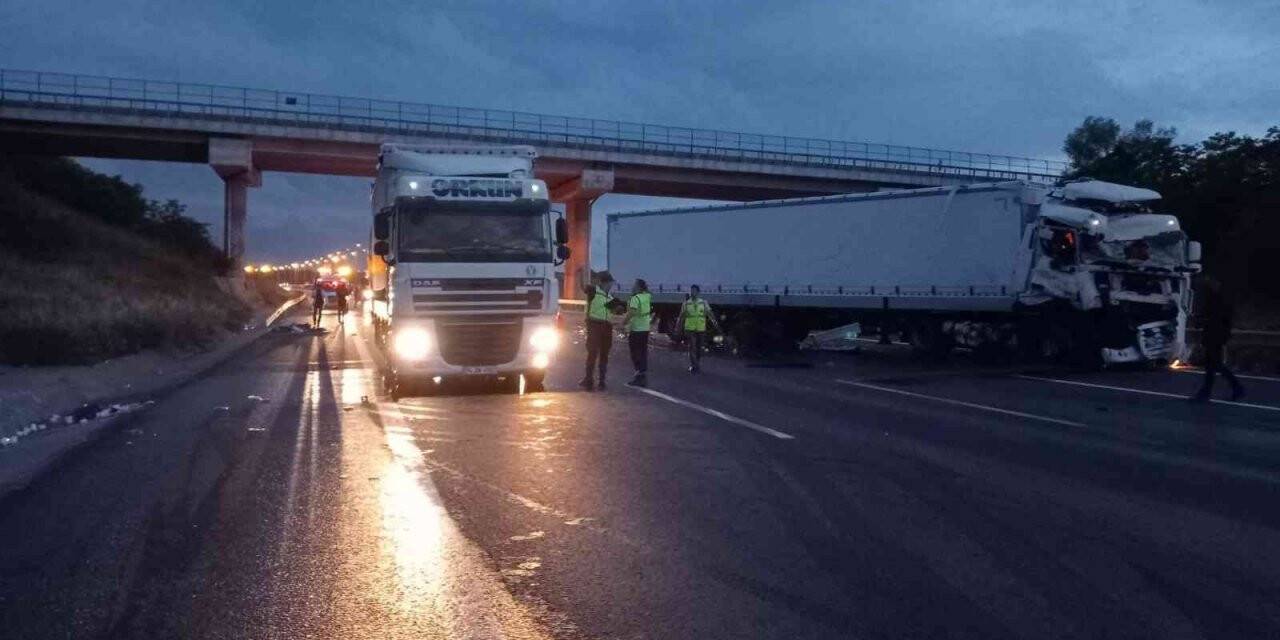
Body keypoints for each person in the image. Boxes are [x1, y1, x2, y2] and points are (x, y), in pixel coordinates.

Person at [1191, 276, 1244, 402]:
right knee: (1211, 365)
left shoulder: (1218, 300)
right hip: (1215, 335)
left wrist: (1202, 322)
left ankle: (1236, 387)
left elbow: (1217, 319)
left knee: (1215, 364)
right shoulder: (1217, 299)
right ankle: (1206, 393)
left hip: (1215, 336)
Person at [580, 271, 616, 390]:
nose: (611, 285)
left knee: (604, 354)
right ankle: (589, 379)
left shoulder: (610, 297)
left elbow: (615, 311)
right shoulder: (593, 291)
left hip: (607, 327)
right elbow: (583, 287)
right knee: (593, 352)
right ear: (605, 282)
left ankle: (602, 381)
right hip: (594, 324)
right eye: (610, 283)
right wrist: (582, 273)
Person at [677, 285, 722, 373]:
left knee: (699, 348)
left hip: (700, 329)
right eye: (691, 291)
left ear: (698, 292)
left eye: (694, 291)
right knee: (692, 348)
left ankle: (696, 363)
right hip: (690, 329)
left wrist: (715, 324)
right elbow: (681, 317)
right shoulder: (686, 303)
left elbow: (710, 314)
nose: (692, 292)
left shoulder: (703, 303)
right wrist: (678, 327)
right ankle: (695, 366)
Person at [624, 278, 653, 386]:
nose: (632, 287)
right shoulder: (647, 296)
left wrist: (623, 322)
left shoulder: (635, 298)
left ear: (638, 287)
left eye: (634, 285)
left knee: (635, 353)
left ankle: (639, 375)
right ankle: (642, 375)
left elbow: (632, 312)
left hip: (636, 329)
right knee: (643, 352)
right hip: (645, 329)